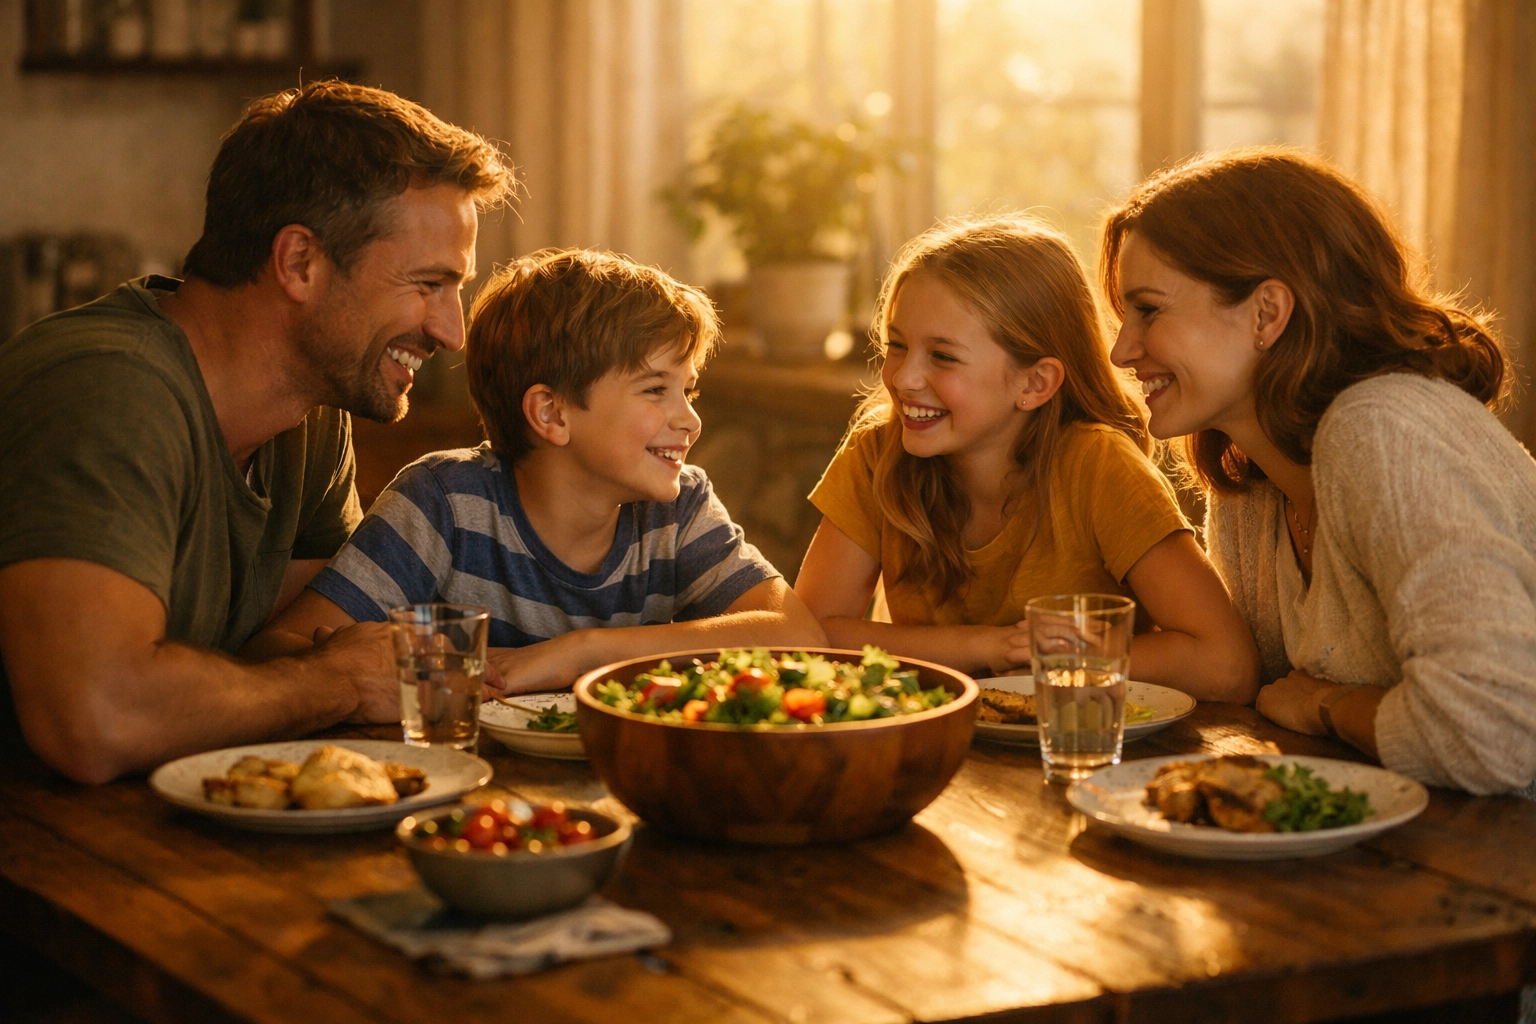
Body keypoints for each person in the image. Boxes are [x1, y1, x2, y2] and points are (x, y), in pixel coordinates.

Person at [0, 81, 515, 783]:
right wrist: (334, 682)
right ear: (299, 261)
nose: (452, 332)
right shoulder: (107, 389)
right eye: (428, 283)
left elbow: (286, 655)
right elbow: (95, 721)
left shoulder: (311, 416)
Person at [1102, 147, 1536, 797]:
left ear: (1267, 313)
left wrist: (1328, 707)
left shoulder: (1383, 429)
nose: (1121, 349)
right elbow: (1258, 690)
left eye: (1149, 310)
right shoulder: (1250, 481)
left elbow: (1501, 733)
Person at [252, 249, 825, 689]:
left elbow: (795, 635)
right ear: (551, 413)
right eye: (656, 390)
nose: (691, 422)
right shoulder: (445, 503)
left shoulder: (678, 509)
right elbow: (281, 646)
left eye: (688, 391)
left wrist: (581, 653)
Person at [793, 218, 1260, 701]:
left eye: (944, 357)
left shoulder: (1096, 465)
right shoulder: (877, 456)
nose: (904, 378)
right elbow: (805, 635)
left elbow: (1226, 665)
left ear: (1034, 384)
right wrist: (988, 646)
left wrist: (1042, 658)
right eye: (897, 345)